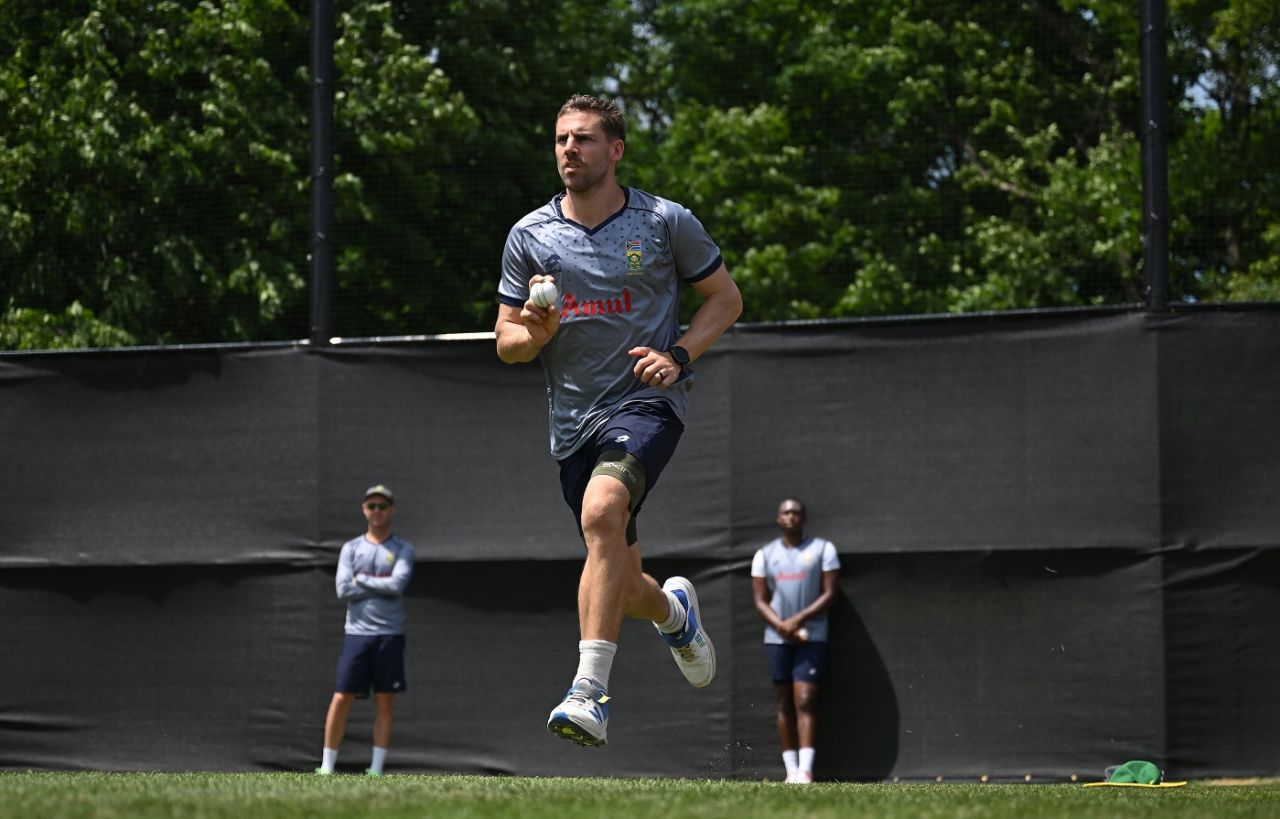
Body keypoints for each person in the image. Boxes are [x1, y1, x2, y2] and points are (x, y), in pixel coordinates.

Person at [494, 94, 743, 747]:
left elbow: (726, 299)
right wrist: (535, 332)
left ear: (616, 149)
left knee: (603, 512)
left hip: (644, 402)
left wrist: (678, 354)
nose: (568, 150)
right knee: (621, 576)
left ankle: (589, 694)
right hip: (572, 423)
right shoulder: (530, 235)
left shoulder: (664, 221)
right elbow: (507, 342)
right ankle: (673, 612)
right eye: (560, 139)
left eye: (582, 139)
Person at [316, 484, 415, 776]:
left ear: (391, 510)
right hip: (356, 635)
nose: (376, 512)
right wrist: (374, 583)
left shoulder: (403, 549)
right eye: (371, 506)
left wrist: (362, 579)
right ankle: (327, 767)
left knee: (385, 699)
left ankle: (376, 769)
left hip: (390, 635)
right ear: (364, 510)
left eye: (382, 506)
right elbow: (342, 588)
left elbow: (397, 585)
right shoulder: (351, 548)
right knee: (341, 697)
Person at [751, 498, 840, 783]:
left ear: (803, 518)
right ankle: (791, 771)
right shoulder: (764, 555)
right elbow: (760, 600)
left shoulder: (823, 550)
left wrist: (796, 621)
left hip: (812, 637)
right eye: (786, 512)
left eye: (796, 512)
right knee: (783, 702)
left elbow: (829, 594)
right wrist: (782, 626)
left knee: (805, 699)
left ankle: (805, 770)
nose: (791, 516)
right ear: (779, 518)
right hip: (777, 639)